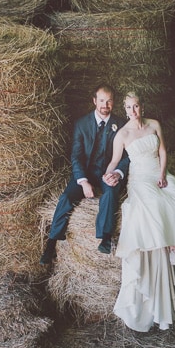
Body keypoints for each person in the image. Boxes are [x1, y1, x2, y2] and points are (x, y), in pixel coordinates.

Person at [103, 92, 175, 332]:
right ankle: (173, 245)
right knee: (153, 203)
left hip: (157, 172)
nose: (133, 111)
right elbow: (114, 161)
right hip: (140, 179)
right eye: (128, 108)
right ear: (125, 109)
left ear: (142, 106)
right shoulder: (122, 134)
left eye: (136, 106)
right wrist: (107, 174)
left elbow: (162, 152)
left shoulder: (154, 125)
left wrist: (162, 175)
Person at [40, 84, 129, 265]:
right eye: (102, 100)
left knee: (110, 193)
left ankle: (105, 237)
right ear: (94, 101)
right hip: (86, 173)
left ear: (114, 102)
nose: (105, 105)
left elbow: (128, 156)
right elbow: (76, 156)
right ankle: (51, 243)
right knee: (66, 197)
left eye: (109, 101)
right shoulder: (81, 124)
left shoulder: (121, 125)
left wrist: (118, 173)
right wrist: (83, 181)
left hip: (108, 172)